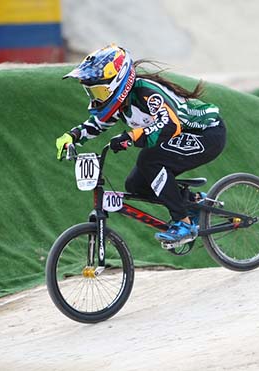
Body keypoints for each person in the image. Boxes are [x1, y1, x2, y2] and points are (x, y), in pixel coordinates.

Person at [56, 44, 226, 246]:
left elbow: (170, 125)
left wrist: (132, 136)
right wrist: (72, 136)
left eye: (100, 91)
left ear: (117, 83)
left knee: (149, 160)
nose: (96, 98)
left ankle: (184, 223)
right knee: (136, 184)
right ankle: (193, 202)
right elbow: (98, 124)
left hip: (206, 134)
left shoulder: (147, 92)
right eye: (92, 92)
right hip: (178, 137)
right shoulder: (120, 103)